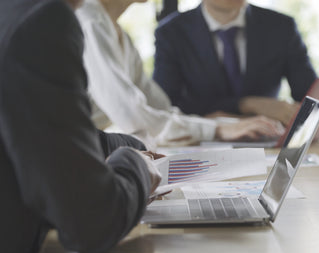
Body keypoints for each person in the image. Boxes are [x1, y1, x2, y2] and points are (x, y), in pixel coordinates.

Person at [0, 0, 162, 253]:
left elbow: (44, 134)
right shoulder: (41, 20)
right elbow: (91, 222)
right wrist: (137, 164)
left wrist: (129, 144)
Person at [76, 0, 284, 147]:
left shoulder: (118, 34)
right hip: (65, 162)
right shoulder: (90, 21)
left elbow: (162, 109)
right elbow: (132, 117)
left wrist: (230, 126)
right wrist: (217, 130)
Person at [153, 0, 318, 125]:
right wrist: (246, 105)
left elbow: (310, 95)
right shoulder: (171, 33)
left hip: (269, 137)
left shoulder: (281, 27)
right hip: (200, 141)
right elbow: (165, 104)